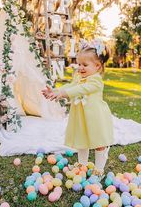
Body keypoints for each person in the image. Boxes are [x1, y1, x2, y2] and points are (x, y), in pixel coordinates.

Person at [42, 39, 114, 178]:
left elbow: (81, 89)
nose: (80, 67)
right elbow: (71, 86)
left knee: (99, 143)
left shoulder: (96, 81)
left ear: (98, 66)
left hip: (95, 118)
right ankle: (82, 164)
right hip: (81, 117)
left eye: (85, 65)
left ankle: (99, 169)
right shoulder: (79, 77)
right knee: (82, 141)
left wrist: (63, 93)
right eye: (79, 64)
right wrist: (56, 91)